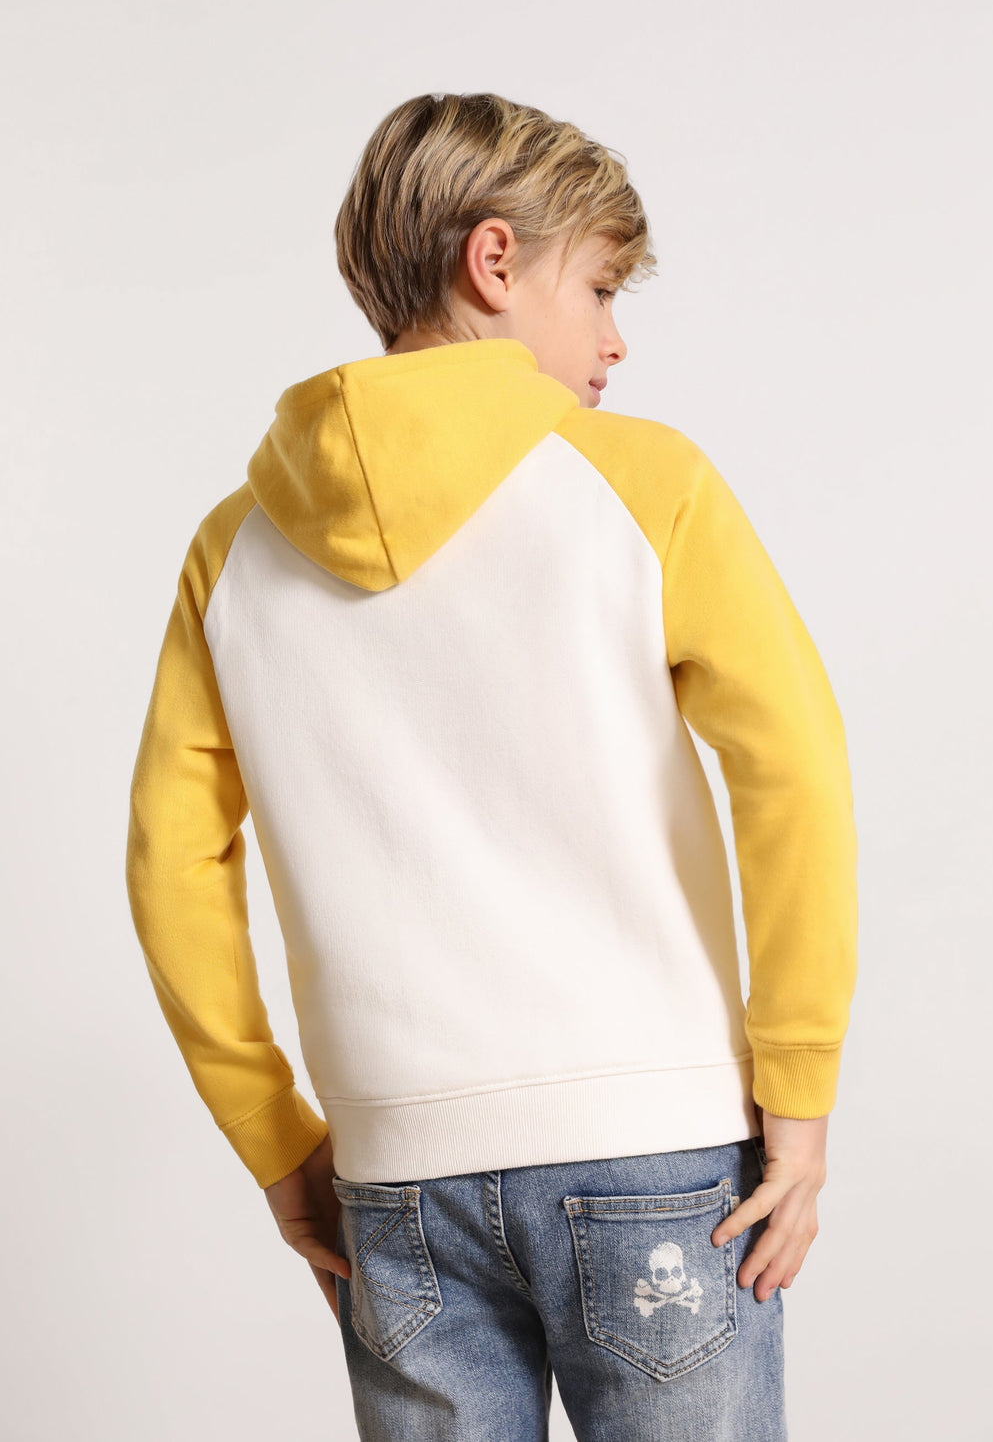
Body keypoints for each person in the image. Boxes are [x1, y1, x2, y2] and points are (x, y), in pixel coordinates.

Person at [125, 91, 858, 1441]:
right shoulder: (645, 484)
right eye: (602, 289)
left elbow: (174, 863)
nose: (616, 340)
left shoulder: (235, 549)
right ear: (497, 260)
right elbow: (795, 769)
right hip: (652, 1146)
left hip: (395, 1170)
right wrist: (798, 1090)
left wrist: (275, 1135)